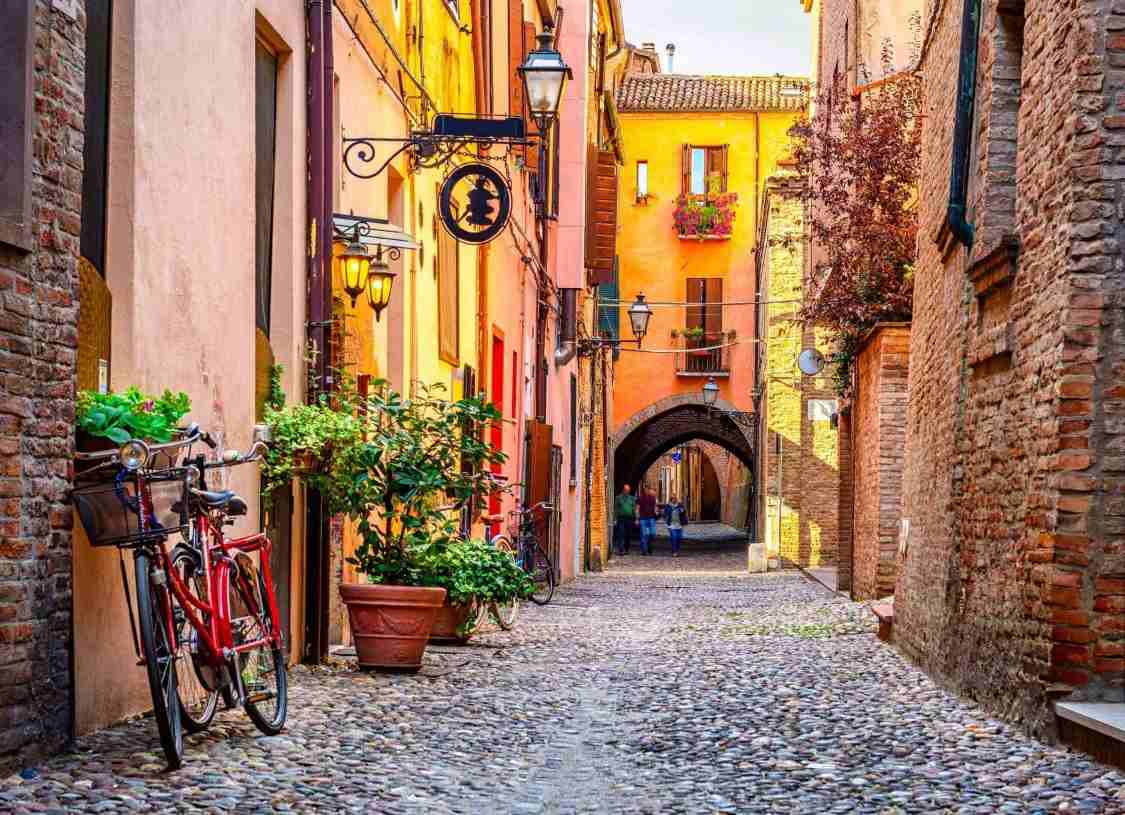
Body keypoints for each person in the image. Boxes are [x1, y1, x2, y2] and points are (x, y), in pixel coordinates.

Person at [614, 484, 636, 555]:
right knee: (621, 533)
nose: (627, 491)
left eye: (628, 490)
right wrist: (615, 518)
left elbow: (634, 508)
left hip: (629, 518)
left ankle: (627, 548)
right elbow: (616, 509)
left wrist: (635, 517)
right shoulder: (618, 498)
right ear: (623, 490)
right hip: (621, 518)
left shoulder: (632, 498)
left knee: (628, 534)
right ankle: (621, 549)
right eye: (626, 490)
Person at [637, 486, 657, 556]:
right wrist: (637, 518)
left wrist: (656, 513)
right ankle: (644, 550)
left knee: (653, 534)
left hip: (651, 518)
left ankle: (649, 547)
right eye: (645, 490)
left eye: (647, 490)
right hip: (643, 518)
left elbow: (655, 507)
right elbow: (637, 508)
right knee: (643, 535)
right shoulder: (640, 498)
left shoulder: (653, 498)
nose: (646, 491)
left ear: (649, 490)